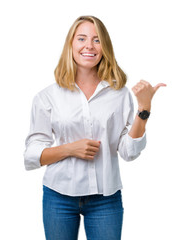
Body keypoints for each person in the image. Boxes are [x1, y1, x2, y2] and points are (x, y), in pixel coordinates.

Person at [24, 15, 165, 240]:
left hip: (105, 198)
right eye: (82, 39)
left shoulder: (119, 94)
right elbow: (31, 156)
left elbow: (128, 151)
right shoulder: (47, 97)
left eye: (97, 40)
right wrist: (70, 149)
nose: (89, 45)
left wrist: (144, 109)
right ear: (71, 45)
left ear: (104, 47)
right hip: (59, 196)